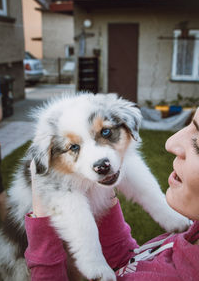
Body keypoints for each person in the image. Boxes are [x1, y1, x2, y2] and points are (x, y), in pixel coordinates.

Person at [25, 108, 199, 281]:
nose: (170, 142)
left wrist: (42, 231)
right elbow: (126, 260)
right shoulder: (193, 233)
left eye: (198, 143)